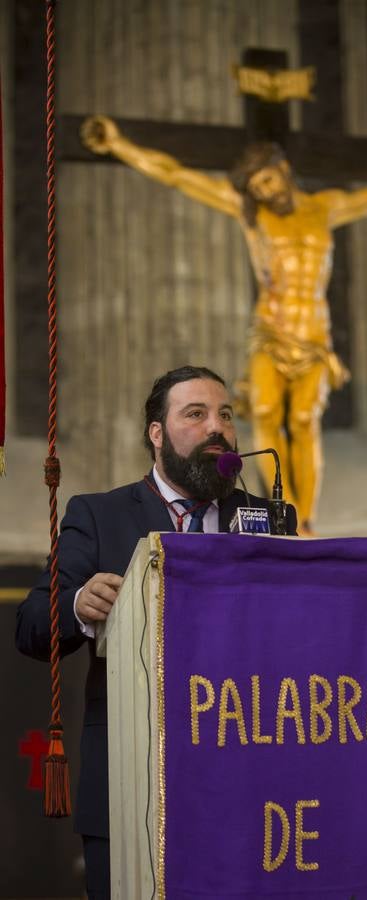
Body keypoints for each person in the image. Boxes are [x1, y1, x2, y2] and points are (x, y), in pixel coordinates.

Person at [81, 117, 367, 533]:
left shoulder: (324, 207)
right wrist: (119, 145)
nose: (264, 192)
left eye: (267, 180)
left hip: (313, 336)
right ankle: (287, 513)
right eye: (257, 188)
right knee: (264, 409)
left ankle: (306, 519)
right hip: (271, 330)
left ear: (282, 170)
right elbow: (178, 177)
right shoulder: (253, 217)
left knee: (303, 421)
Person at [15, 364, 297, 900]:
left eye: (226, 416)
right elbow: (30, 626)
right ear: (157, 433)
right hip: (130, 780)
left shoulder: (269, 517)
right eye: (195, 414)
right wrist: (79, 603)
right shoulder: (98, 515)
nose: (217, 428)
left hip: (246, 783)